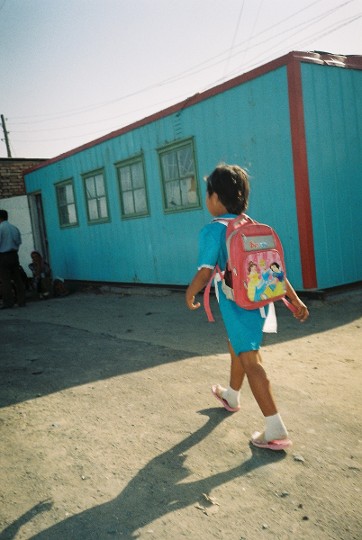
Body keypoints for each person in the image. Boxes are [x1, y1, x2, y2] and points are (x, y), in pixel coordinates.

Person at [185, 164, 309, 451]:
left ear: (215, 198)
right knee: (237, 347)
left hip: (236, 303)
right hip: (259, 301)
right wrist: (294, 299)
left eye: (208, 194)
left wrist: (190, 293)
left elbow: (205, 272)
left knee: (251, 360)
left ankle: (274, 427)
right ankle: (231, 395)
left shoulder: (213, 230)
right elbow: (272, 269)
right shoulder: (249, 225)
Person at [0, 209, 26, 308]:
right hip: (14, 255)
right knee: (17, 279)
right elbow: (18, 241)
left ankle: (8, 302)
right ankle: (21, 300)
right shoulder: (14, 228)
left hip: (3, 255)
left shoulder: (0, 228)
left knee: (5, 280)